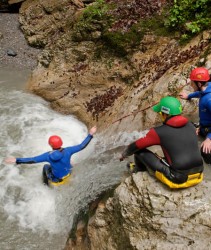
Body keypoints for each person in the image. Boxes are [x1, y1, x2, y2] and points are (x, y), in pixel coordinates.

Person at [119, 96, 204, 189]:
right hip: (199, 173)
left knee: (139, 152)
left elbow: (136, 146)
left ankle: (138, 171)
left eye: (160, 113)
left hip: (178, 177)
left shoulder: (158, 132)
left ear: (165, 114)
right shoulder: (191, 125)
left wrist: (124, 154)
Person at [5, 126, 97, 186]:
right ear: (61, 143)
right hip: (68, 175)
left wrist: (17, 160)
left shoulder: (48, 156)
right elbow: (82, 146)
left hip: (57, 181)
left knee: (46, 167)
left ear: (51, 145)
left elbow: (32, 160)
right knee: (70, 162)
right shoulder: (68, 150)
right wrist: (90, 134)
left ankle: (45, 185)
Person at [179, 67, 211, 163]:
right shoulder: (206, 88)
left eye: (192, 82)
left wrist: (209, 139)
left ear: (199, 84)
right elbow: (200, 93)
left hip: (209, 130)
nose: (191, 84)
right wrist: (188, 96)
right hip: (205, 126)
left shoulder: (209, 100)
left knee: (205, 152)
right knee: (188, 128)